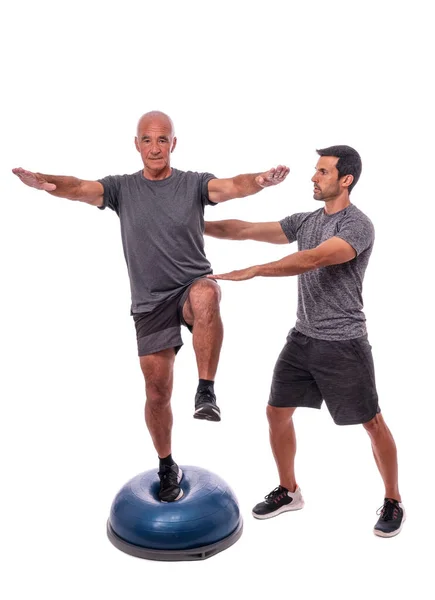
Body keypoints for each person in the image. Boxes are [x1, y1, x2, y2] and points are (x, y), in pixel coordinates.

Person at [12, 110, 289, 503]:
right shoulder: (121, 189)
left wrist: (260, 181)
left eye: (163, 140)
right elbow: (78, 187)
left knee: (207, 292)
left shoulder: (193, 184)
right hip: (149, 302)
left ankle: (206, 391)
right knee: (156, 392)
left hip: (190, 285)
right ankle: (166, 464)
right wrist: (45, 184)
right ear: (137, 144)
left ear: (173, 144)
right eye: (147, 140)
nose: (155, 147)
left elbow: (232, 186)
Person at [205, 145, 405, 537]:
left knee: (372, 423)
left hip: (343, 343)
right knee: (276, 412)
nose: (313, 177)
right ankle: (289, 490)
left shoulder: (356, 226)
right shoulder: (306, 221)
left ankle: (394, 499)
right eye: (315, 171)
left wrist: (258, 271)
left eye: (323, 172)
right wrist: (189, 223)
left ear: (345, 180)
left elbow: (314, 259)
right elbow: (244, 229)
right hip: (302, 339)